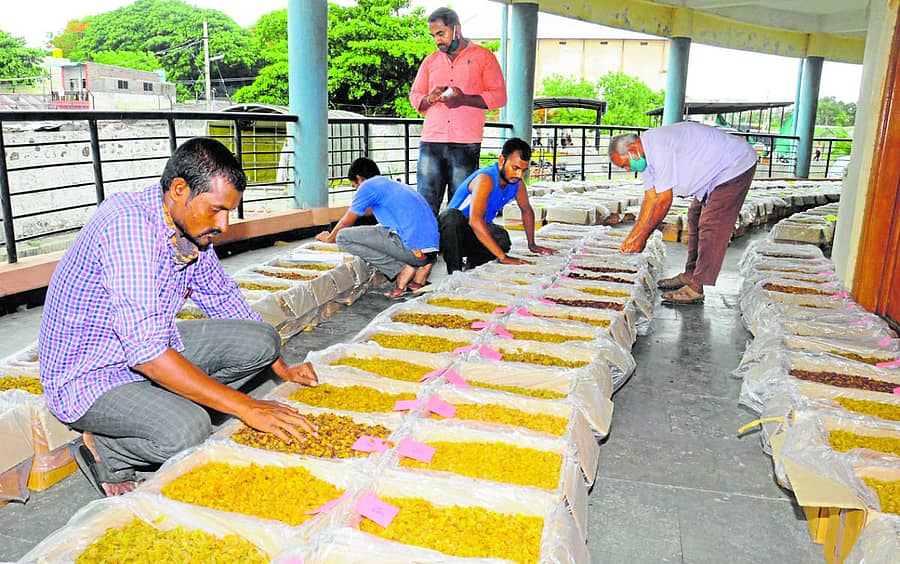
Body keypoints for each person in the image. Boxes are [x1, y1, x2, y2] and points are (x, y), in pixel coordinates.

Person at [39, 138, 319, 497]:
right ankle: (107, 450)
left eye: (229, 212)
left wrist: (283, 369)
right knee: (188, 430)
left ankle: (160, 404)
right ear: (179, 189)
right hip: (91, 374)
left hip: (146, 349)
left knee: (263, 342)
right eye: (216, 210)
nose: (224, 225)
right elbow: (147, 355)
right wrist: (247, 407)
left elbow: (222, 297)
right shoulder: (128, 229)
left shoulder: (189, 229)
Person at [609, 122, 757, 305]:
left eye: (625, 164)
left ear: (633, 149)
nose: (627, 169)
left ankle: (696, 287)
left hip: (735, 165)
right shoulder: (646, 158)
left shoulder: (658, 146)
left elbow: (663, 201)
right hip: (714, 173)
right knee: (695, 216)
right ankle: (690, 274)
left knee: (712, 224)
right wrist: (633, 237)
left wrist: (642, 238)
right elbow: (650, 199)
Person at [409, 7, 507, 216]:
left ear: (457, 29)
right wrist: (430, 98)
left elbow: (499, 96)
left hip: (465, 143)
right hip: (432, 141)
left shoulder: (484, 57)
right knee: (425, 202)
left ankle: (454, 239)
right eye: (433, 36)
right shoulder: (430, 61)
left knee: (460, 205)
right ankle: (426, 239)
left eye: (441, 33)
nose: (437, 40)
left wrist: (463, 99)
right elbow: (415, 96)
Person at [317, 158, 439, 299]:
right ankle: (419, 273)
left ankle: (400, 270)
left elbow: (346, 222)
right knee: (377, 230)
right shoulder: (393, 185)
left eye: (354, 186)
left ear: (359, 179)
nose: (356, 190)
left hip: (413, 252)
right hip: (430, 253)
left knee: (342, 237)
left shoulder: (368, 186)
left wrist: (329, 238)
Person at [439, 137, 554, 273]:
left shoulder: (517, 183)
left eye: (523, 170)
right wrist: (503, 258)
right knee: (451, 216)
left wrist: (532, 245)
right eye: (515, 168)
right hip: (452, 233)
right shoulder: (485, 179)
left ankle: (472, 265)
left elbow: (526, 211)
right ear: (501, 161)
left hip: (474, 232)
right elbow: (475, 220)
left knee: (501, 238)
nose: (519, 175)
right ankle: (454, 271)